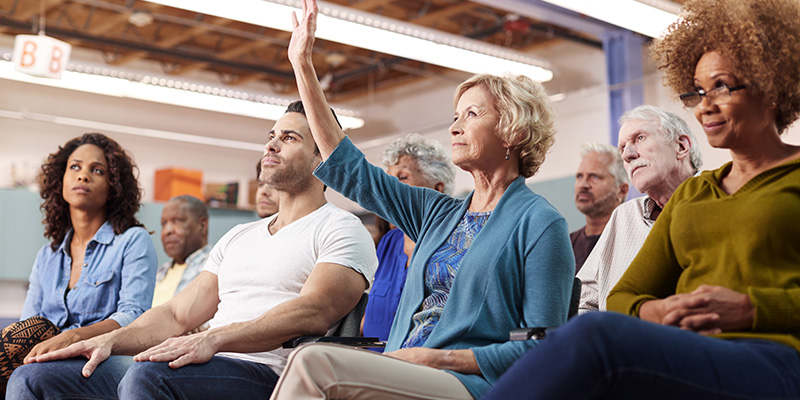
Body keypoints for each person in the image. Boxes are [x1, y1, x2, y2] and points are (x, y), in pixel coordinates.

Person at [482, 0, 800, 398]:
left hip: (780, 357)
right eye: (698, 92)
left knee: (595, 340)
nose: (705, 106)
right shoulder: (693, 195)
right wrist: (661, 311)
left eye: (721, 85)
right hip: (695, 354)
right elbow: (622, 296)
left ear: (770, 86)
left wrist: (752, 309)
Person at [270, 1, 574, 399]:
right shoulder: (438, 213)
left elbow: (544, 348)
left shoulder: (539, 223)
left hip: (469, 384)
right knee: (310, 357)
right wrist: (303, 66)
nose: (454, 126)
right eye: (455, 115)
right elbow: (351, 168)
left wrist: (442, 359)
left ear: (512, 130)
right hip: (402, 368)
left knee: (313, 362)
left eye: (471, 114)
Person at [7, 102, 379, 400]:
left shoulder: (342, 229)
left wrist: (213, 338)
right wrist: (106, 340)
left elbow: (314, 311)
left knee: (147, 377)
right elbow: (175, 313)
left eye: (289, 137)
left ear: (323, 158)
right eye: (271, 135)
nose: (271, 144)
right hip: (199, 361)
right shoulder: (239, 236)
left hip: (268, 374)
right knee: (34, 378)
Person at [0, 133, 157, 394]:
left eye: (97, 170)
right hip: (49, 361)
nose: (83, 175)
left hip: (107, 358)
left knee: (28, 377)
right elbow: (30, 321)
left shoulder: (132, 241)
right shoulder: (47, 255)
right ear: (60, 180)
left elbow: (134, 316)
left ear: (113, 186)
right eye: (75, 167)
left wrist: (73, 337)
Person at [577, 105, 700, 313]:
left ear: (681, 146)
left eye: (640, 138)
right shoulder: (624, 216)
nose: (627, 155)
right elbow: (583, 301)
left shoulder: (720, 199)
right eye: (622, 148)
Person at [363, 133, 455, 346]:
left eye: (402, 178)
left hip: (417, 367)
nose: (391, 189)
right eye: (389, 180)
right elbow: (368, 315)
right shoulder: (389, 242)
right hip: (372, 361)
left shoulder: (453, 244)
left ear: (437, 188)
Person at [570, 143, 629, 273]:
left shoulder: (633, 240)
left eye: (595, 176)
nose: (583, 185)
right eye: (580, 176)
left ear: (622, 190)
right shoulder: (567, 244)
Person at [152, 195, 212, 308]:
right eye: (164, 223)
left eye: (177, 221)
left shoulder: (214, 267)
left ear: (202, 225)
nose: (167, 231)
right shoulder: (159, 273)